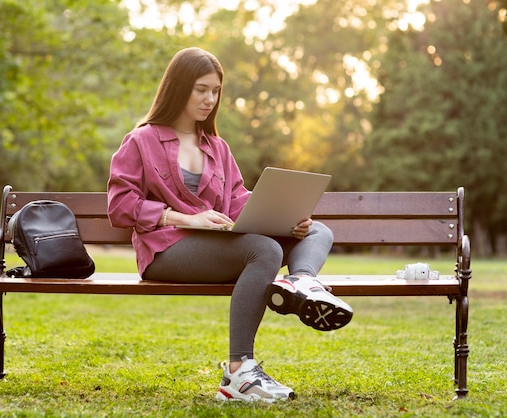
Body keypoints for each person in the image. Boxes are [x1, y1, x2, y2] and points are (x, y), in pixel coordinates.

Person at [107, 47, 353, 403]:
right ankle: (239, 374)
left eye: (216, 90)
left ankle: (302, 283)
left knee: (317, 231)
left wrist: (286, 219)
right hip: (167, 251)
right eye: (201, 89)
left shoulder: (218, 147)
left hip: (218, 247)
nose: (210, 99)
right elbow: (119, 205)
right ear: (178, 88)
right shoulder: (142, 140)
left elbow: (238, 200)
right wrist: (187, 218)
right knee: (263, 249)